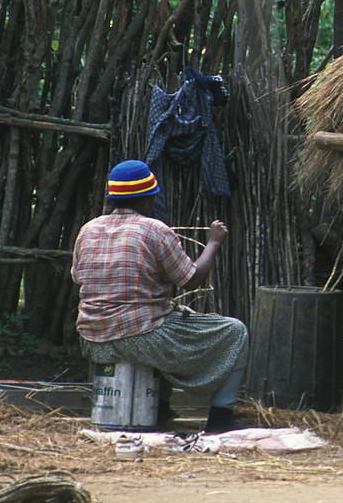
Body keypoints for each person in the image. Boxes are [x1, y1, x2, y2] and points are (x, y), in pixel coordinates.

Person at [72, 160, 249, 434]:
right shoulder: (155, 230)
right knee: (234, 331)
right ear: (146, 200)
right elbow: (190, 278)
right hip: (141, 338)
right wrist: (214, 242)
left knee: (163, 319)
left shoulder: (88, 230)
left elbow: (79, 277)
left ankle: (160, 408)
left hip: (93, 339)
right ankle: (221, 418)